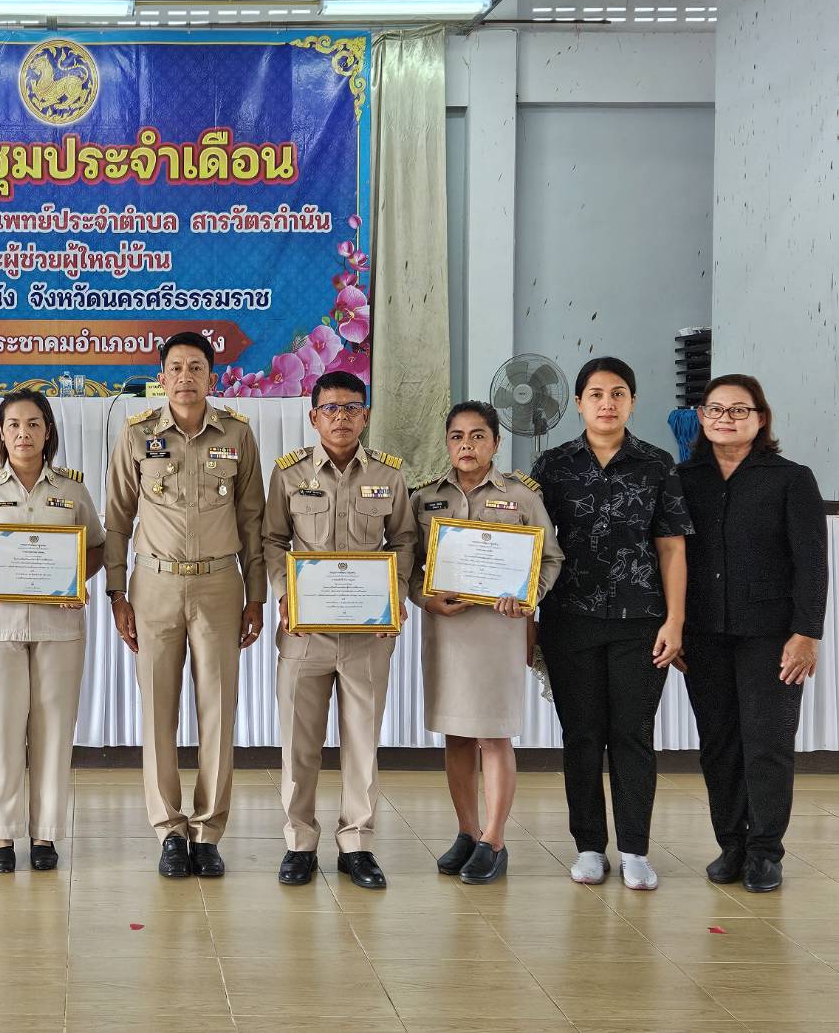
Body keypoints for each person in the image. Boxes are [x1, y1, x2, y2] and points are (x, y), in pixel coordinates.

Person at [104, 331, 266, 879]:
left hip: (221, 585)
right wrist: (116, 592)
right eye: (176, 368)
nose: (186, 377)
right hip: (154, 587)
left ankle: (208, 831)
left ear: (211, 376)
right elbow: (118, 519)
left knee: (218, 711)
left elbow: (252, 521)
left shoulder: (238, 435)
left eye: (197, 367)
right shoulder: (137, 436)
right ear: (163, 377)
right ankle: (169, 830)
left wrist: (258, 595)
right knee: (158, 711)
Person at [530, 356, 692, 891]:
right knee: (581, 735)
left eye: (618, 394)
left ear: (631, 402)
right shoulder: (551, 466)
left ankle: (637, 850)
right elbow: (529, 545)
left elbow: (670, 547)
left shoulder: (657, 463)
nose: (607, 403)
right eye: (596, 394)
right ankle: (589, 847)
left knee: (632, 735)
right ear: (577, 403)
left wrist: (675, 620)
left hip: (640, 620)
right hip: (569, 620)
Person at [263, 371, 415, 888]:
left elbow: (404, 542)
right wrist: (285, 593)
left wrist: (391, 598)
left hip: (368, 633)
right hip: (305, 632)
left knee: (362, 740)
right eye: (331, 408)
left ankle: (357, 842)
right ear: (313, 417)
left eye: (352, 407)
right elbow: (272, 540)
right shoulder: (288, 475)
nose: (342, 417)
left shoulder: (390, 477)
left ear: (366, 415)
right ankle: (300, 841)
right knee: (298, 743)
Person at [678, 374, 828, 893]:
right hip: (703, 633)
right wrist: (674, 628)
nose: (725, 418)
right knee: (718, 743)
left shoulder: (791, 478)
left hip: (772, 636)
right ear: (701, 417)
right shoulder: (684, 479)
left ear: (760, 418)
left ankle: (766, 851)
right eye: (715, 409)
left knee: (767, 742)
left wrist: (807, 633)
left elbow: (812, 563)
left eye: (739, 410)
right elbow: (668, 560)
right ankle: (732, 845)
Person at [0, 390, 104, 873]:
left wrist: (79, 578)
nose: (22, 433)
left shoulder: (73, 491)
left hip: (58, 626)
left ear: (48, 431)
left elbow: (95, 547)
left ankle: (44, 836)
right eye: (13, 424)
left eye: (33, 424)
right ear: (0, 432)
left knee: (53, 732)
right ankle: (1, 833)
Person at [408, 401, 563, 884]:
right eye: (457, 436)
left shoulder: (522, 496)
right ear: (447, 442)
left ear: (496, 443)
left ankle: (494, 841)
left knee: (493, 736)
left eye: (478, 436)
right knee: (455, 733)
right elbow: (409, 566)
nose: (467, 446)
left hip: (499, 630)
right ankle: (466, 831)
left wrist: (528, 598)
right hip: (447, 629)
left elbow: (551, 558)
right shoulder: (425, 499)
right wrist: (425, 599)